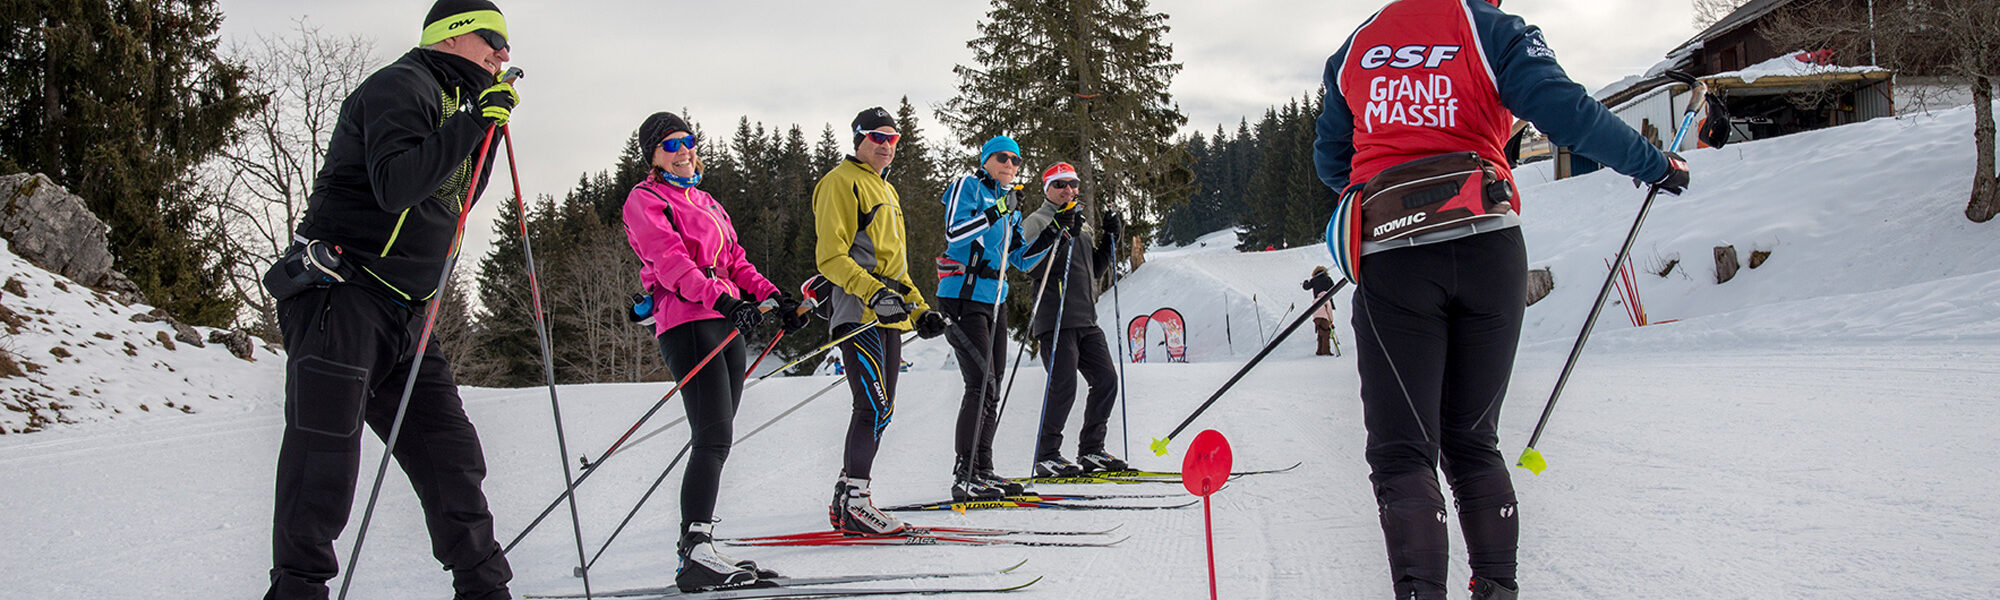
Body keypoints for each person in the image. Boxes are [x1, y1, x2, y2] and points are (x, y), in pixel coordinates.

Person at [1313, 1, 1691, 599]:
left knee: (1404, 454)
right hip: (1491, 251)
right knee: (1471, 442)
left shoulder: (1359, 46)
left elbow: (1332, 159)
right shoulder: (1494, 30)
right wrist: (1653, 165)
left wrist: (1399, 188)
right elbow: (1568, 113)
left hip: (1395, 258)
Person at [258, 1, 521, 598]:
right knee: (322, 459)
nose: (504, 54)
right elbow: (396, 185)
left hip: (408, 311)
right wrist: (473, 123)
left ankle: (485, 588)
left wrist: (478, 125)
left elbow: (449, 208)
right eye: (492, 39)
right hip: (343, 294)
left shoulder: (458, 105)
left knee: (450, 454)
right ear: (452, 36)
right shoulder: (401, 85)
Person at [621, 112, 808, 591]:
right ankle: (695, 551)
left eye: (689, 141)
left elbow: (736, 261)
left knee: (719, 437)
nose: (684, 150)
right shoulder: (645, 199)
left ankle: (701, 544)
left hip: (723, 323)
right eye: (671, 145)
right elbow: (671, 263)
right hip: (687, 321)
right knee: (712, 435)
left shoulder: (705, 201)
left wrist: (775, 297)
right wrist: (724, 300)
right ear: (653, 155)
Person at [812, 106, 949, 535]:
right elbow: (831, 258)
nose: (887, 145)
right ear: (858, 139)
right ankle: (857, 502)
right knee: (871, 405)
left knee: (882, 409)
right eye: (878, 136)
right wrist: (873, 292)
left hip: (888, 314)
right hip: (857, 312)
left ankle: (846, 493)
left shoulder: (884, 189)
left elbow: (897, 268)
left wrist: (920, 308)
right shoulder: (840, 182)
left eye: (894, 138)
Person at [935, 136, 1057, 500]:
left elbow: (1020, 259)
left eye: (1017, 160)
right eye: (1003, 157)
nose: (1010, 164)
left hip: (994, 303)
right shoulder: (967, 187)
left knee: (993, 387)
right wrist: (999, 209)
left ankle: (983, 470)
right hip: (962, 297)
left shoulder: (1012, 206)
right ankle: (966, 472)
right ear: (987, 159)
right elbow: (954, 232)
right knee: (981, 384)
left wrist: (1053, 235)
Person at [1019, 162, 1127, 477]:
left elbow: (1094, 270)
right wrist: (1060, 233)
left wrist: (1110, 238)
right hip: (1055, 318)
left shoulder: (1082, 222)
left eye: (1073, 184)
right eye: (1060, 184)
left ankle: (1092, 450)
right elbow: (1029, 267)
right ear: (1047, 189)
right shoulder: (1037, 221)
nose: (1068, 190)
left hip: (1086, 319)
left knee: (1106, 380)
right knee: (1063, 386)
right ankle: (1047, 455)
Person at [1303, 266, 1340, 357]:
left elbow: (1306, 287)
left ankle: (1319, 342)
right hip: (1327, 303)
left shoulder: (1314, 280)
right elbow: (1333, 287)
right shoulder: (1328, 279)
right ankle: (1325, 348)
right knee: (1326, 324)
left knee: (1319, 323)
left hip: (1317, 305)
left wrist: (1305, 282)